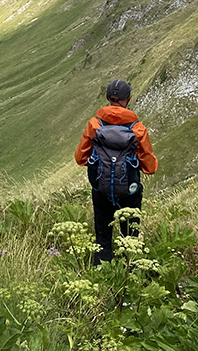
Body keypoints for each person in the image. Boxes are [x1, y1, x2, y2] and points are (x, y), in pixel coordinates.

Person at [74, 79, 158, 264]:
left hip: (101, 189)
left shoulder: (94, 124)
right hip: (129, 191)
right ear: (128, 99)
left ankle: (101, 272)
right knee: (130, 239)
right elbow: (150, 168)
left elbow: (80, 158)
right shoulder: (137, 129)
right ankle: (129, 271)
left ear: (107, 98)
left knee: (102, 239)